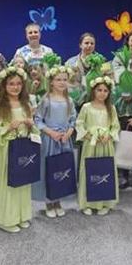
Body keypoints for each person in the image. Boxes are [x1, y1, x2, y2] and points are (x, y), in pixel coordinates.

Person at [0, 66, 37, 232]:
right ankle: (7, 219)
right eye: (11, 84)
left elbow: (33, 127)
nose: (15, 87)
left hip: (23, 146)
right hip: (8, 148)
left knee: (22, 180)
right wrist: (9, 127)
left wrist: (31, 125)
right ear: (4, 86)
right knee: (9, 182)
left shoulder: (26, 104)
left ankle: (21, 215)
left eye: (18, 84)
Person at [33, 64, 78, 217]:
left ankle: (58, 199)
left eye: (65, 79)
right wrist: (51, 132)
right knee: (49, 168)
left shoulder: (69, 101)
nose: (62, 82)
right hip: (50, 139)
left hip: (64, 140)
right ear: (51, 82)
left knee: (62, 168)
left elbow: (73, 119)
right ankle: (49, 201)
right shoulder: (46, 100)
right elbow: (38, 120)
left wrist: (69, 132)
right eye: (58, 79)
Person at [76, 75, 121, 215]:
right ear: (93, 91)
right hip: (91, 144)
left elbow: (115, 126)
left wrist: (109, 135)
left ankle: (104, 202)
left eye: (105, 91)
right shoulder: (86, 107)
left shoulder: (111, 108)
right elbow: (79, 123)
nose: (102, 93)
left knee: (105, 171)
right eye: (99, 90)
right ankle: (87, 203)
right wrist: (88, 135)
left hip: (105, 144)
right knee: (89, 170)